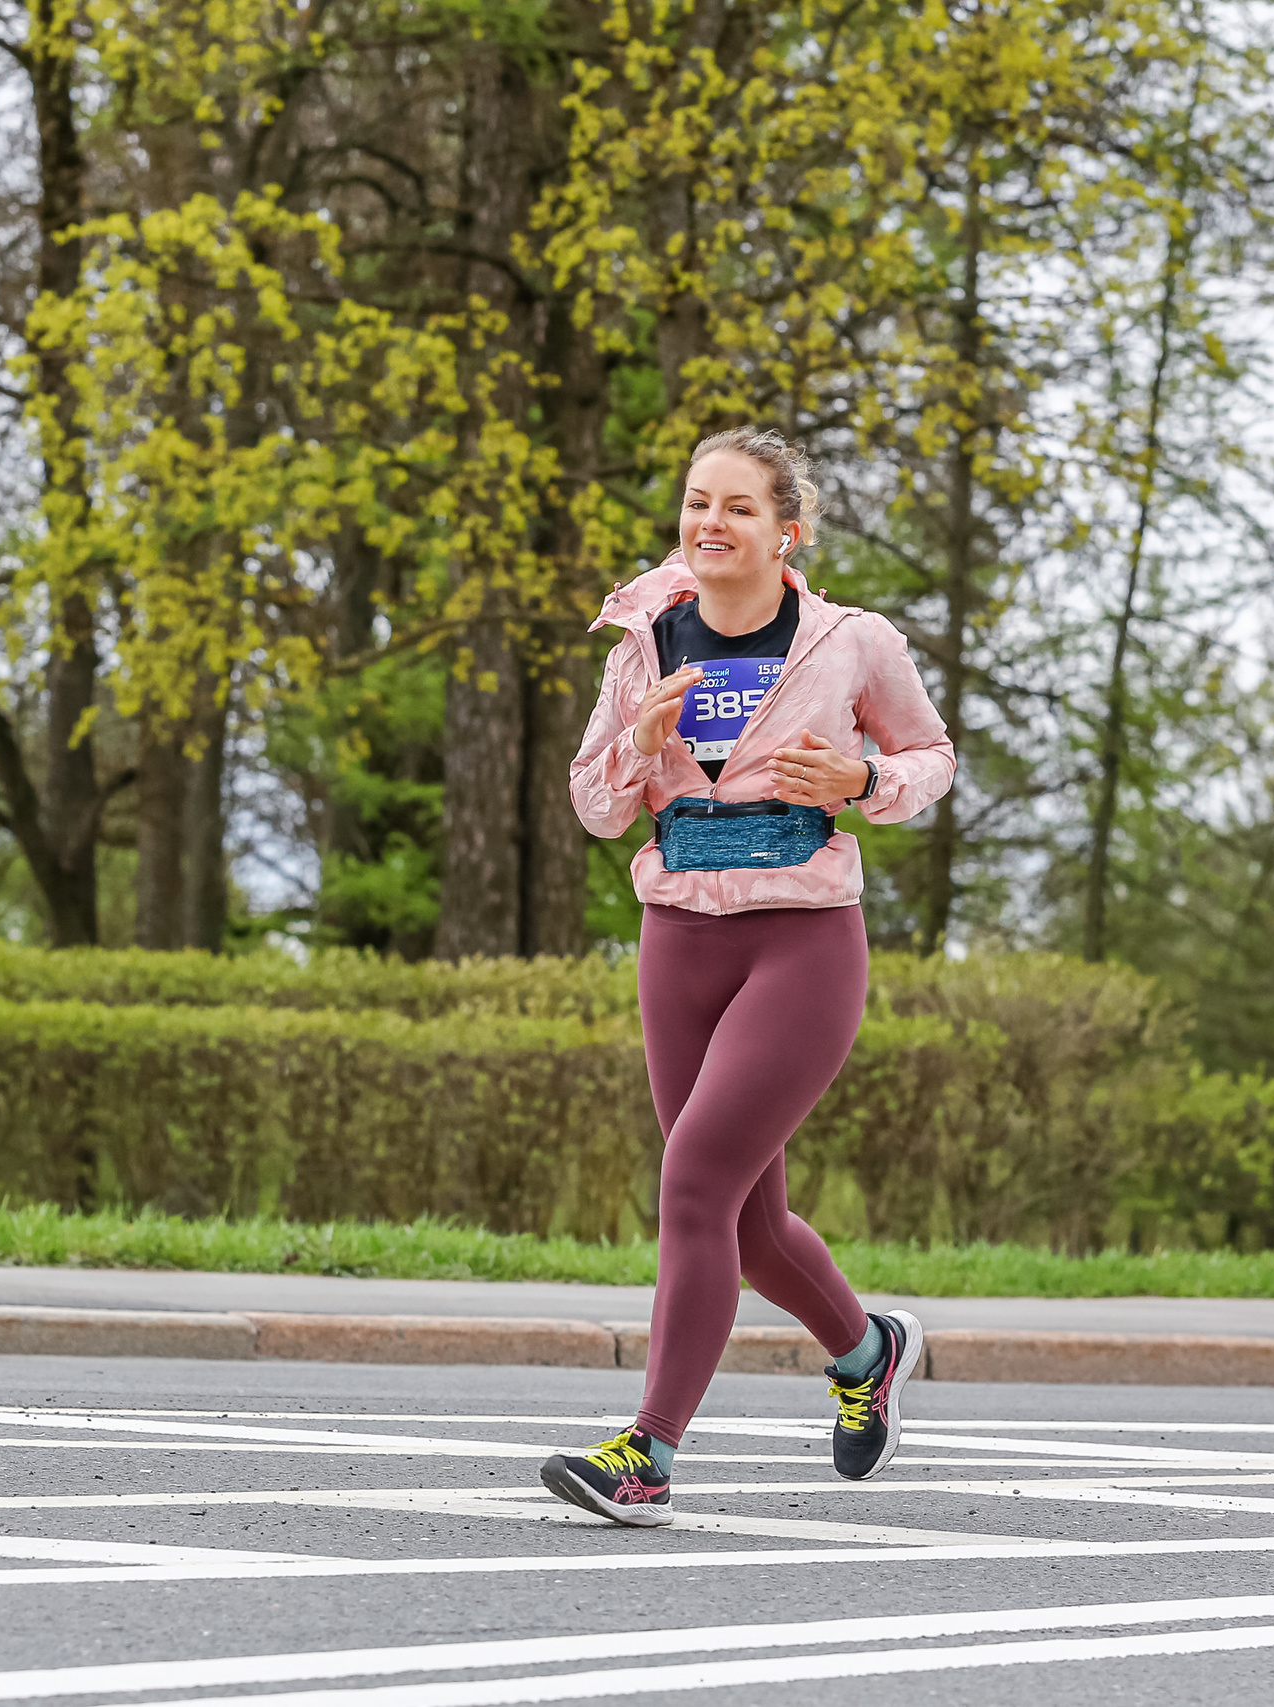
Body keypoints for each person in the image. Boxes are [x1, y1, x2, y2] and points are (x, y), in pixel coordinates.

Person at [540, 428, 957, 1525]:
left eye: (736, 508)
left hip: (801, 940)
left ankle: (649, 1455)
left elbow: (931, 760)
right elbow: (592, 804)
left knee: (691, 1183)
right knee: (742, 1220)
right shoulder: (642, 645)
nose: (709, 525)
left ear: (787, 532)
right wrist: (637, 741)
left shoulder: (851, 643)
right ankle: (868, 1351)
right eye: (694, 504)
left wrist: (863, 774)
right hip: (679, 934)